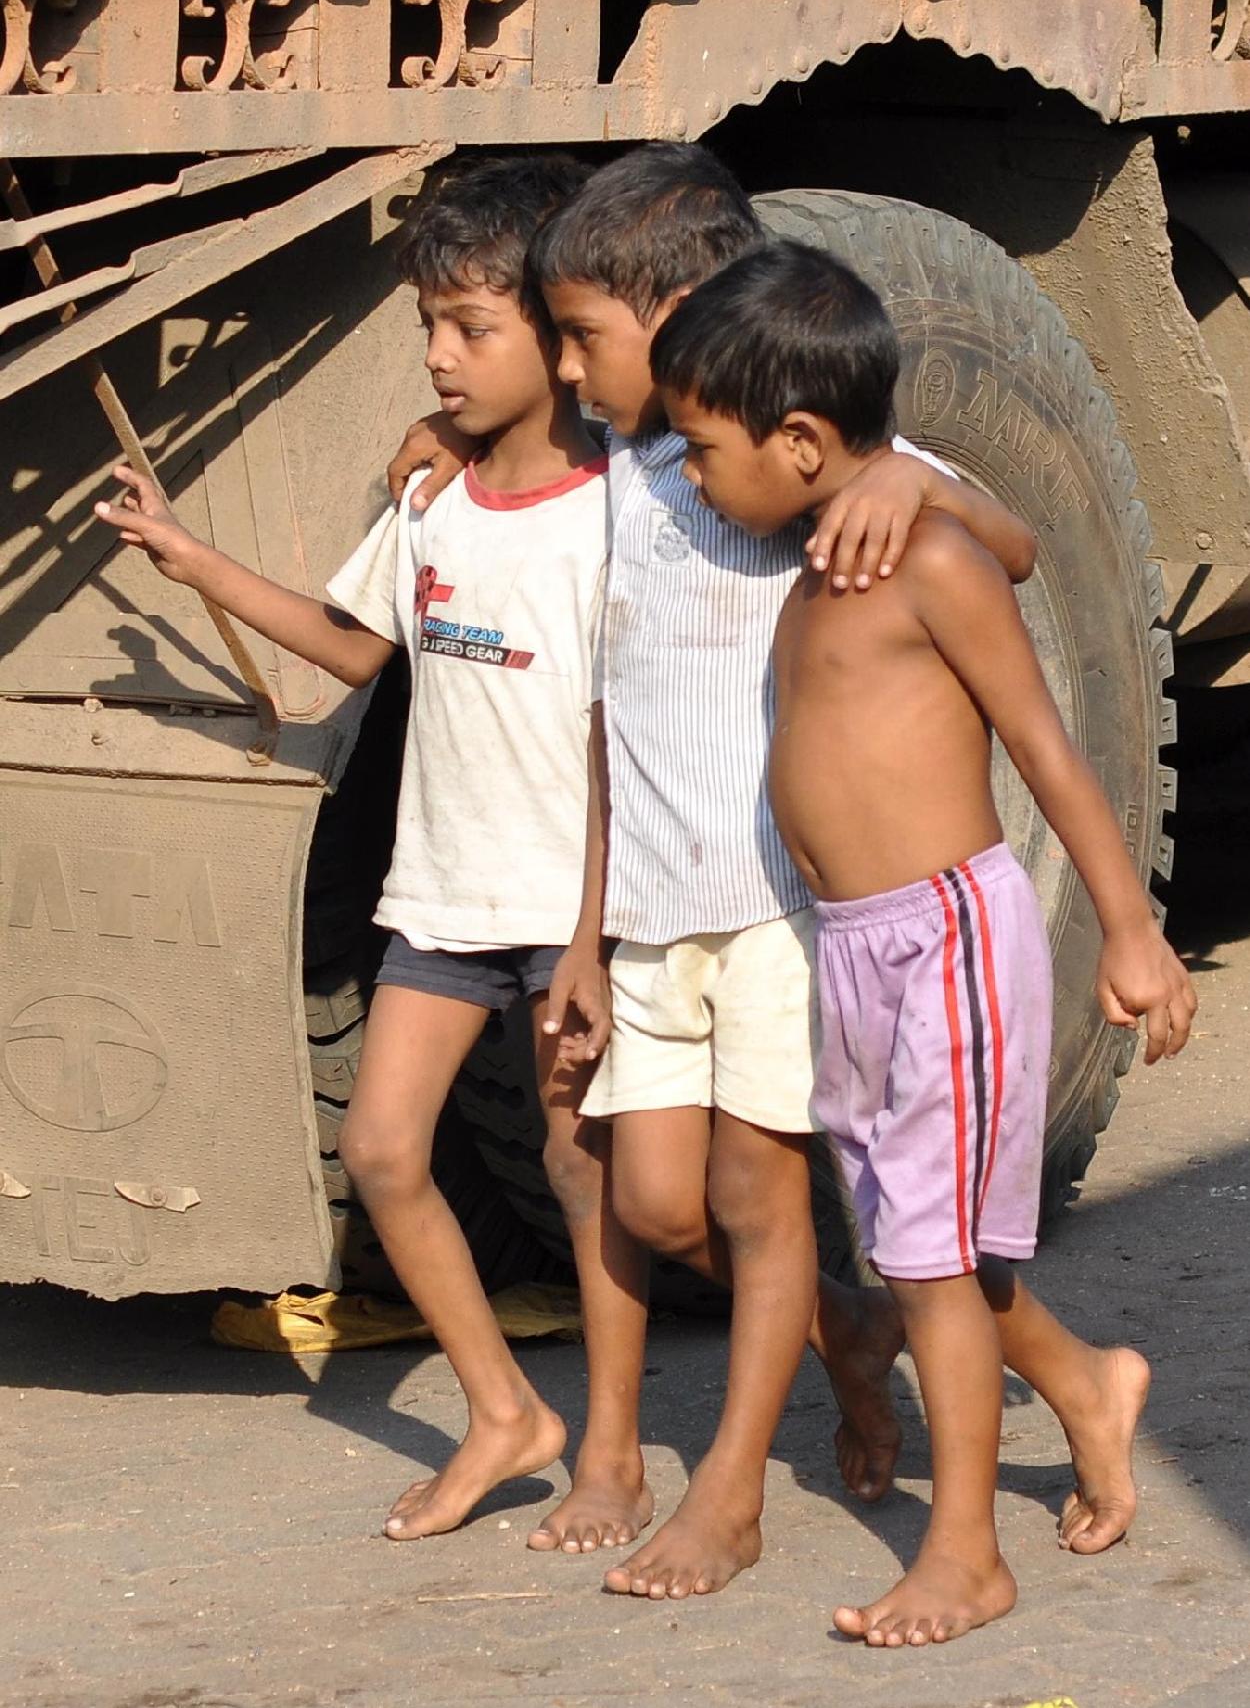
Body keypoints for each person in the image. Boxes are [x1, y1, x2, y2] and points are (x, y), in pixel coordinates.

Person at [386, 142, 1043, 1601]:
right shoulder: (624, 466)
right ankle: (881, 1337)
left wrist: (910, 496)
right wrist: (447, 445)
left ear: (687, 315)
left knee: (756, 1203)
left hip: (769, 909)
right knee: (664, 1209)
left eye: (583, 338)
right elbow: (612, 710)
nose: (563, 365)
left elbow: (1012, 537)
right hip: (643, 911)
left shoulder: (770, 463)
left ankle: (732, 1495)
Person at [93, 153, 652, 1548]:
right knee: (388, 1153)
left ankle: (620, 1454)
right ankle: (505, 1411)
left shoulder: (611, 516)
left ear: (558, 335)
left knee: (587, 1173)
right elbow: (354, 647)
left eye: (473, 329)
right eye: (428, 327)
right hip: (443, 898)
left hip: (568, 906)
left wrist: (588, 938)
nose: (439, 357)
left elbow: (609, 740)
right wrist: (189, 558)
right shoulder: (430, 505)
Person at [649, 235, 1196, 1644]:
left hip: (942, 940)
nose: (690, 476)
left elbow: (1048, 749)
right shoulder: (823, 543)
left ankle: (965, 1550)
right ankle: (1084, 1383)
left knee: (927, 1259)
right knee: (912, 1238)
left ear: (803, 440)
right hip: (852, 946)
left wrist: (1129, 930)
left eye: (703, 448)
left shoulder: (921, 550)